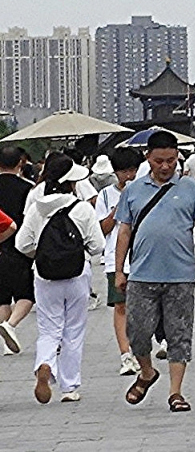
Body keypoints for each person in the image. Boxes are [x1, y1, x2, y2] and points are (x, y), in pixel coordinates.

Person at [114, 129, 195, 413]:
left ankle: (175, 392)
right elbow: (124, 232)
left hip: (180, 275)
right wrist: (119, 270)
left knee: (179, 334)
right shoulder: (133, 190)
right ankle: (147, 372)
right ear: (148, 158)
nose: (165, 166)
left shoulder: (191, 189)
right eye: (159, 161)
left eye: (171, 160)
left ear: (177, 157)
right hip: (142, 274)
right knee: (137, 332)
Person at [15, 154, 105, 403]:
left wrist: (42, 254)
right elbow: (98, 245)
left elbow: (22, 244)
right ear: (70, 183)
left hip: (45, 276)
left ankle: (45, 364)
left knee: (48, 328)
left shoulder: (36, 208)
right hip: (77, 275)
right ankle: (69, 387)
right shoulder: (83, 208)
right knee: (73, 330)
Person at [96, 146, 142, 376]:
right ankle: (125, 354)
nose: (129, 176)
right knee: (120, 306)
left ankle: (141, 350)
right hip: (116, 259)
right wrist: (118, 208)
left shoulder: (145, 190)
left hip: (143, 257)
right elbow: (102, 229)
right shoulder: (105, 195)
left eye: (133, 170)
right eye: (124, 171)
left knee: (143, 307)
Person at [0, 145, 36, 353]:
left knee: (2, 297)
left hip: (1, 247)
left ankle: (6, 341)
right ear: (20, 163)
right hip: (20, 247)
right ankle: (10, 325)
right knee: (26, 295)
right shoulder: (28, 188)